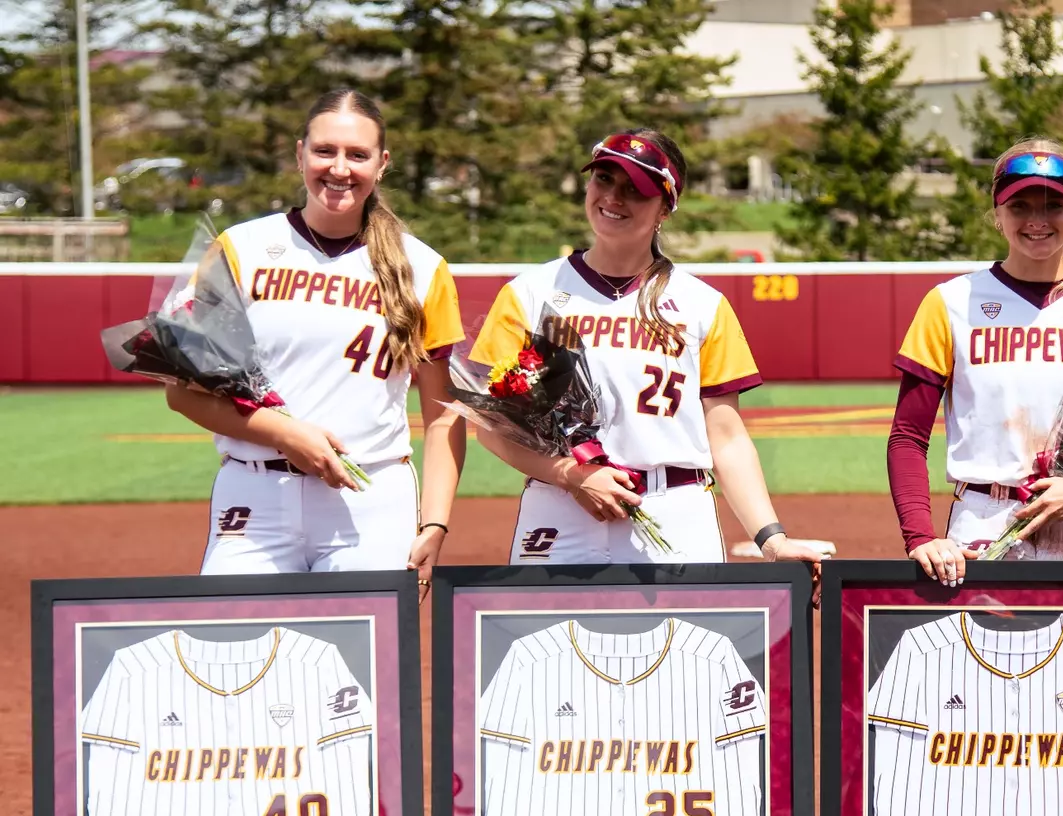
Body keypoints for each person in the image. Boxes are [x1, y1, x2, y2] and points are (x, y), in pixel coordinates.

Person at [468, 129, 820, 569]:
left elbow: (727, 438)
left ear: (665, 208)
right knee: (545, 637)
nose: (614, 198)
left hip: (674, 509)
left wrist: (772, 539)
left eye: (636, 189)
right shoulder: (532, 294)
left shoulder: (701, 304)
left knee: (688, 638)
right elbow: (493, 427)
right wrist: (572, 474)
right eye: (603, 179)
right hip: (559, 505)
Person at [163, 88, 466, 587]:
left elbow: (441, 417)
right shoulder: (241, 247)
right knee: (231, 656)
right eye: (325, 151)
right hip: (255, 491)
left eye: (357, 154)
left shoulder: (423, 267)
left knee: (363, 662)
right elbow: (180, 393)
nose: (340, 168)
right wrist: (285, 434)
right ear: (299, 152)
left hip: (369, 497)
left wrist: (433, 521)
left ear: (382, 163)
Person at [886, 137, 1063, 587]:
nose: (1037, 220)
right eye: (1020, 205)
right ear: (997, 214)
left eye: (1053, 205)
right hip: (979, 525)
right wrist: (920, 536)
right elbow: (907, 436)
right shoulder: (950, 302)